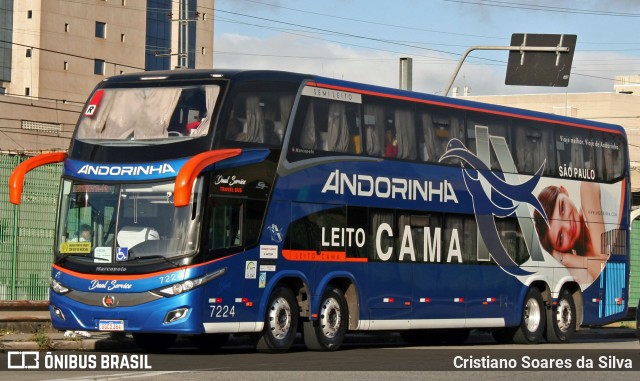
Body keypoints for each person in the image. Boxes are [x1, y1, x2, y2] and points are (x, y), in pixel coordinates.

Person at [533, 182, 612, 284]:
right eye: (561, 237)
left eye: (562, 209)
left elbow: (605, 268)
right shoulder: (576, 265)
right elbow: (607, 277)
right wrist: (565, 259)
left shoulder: (587, 188)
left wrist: (567, 258)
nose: (568, 226)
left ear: (564, 191)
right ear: (559, 250)